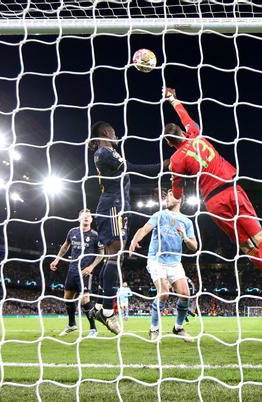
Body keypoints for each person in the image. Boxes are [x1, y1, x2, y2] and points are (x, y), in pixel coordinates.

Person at [162, 86, 262, 294]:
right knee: (260, 239)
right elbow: (187, 117)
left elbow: (177, 194)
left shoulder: (176, 160)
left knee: (246, 247)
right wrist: (172, 100)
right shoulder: (196, 135)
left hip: (214, 202)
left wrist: (173, 177)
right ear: (182, 131)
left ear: (169, 143)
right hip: (232, 189)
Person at [88, 121, 168, 335]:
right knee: (114, 256)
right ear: (106, 132)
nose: (117, 135)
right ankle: (106, 312)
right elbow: (132, 168)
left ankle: (98, 306)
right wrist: (164, 165)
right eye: (114, 131)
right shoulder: (105, 152)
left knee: (116, 258)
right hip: (113, 206)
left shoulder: (105, 152)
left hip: (119, 207)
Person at [129, 189, 198, 341]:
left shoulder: (187, 221)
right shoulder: (159, 215)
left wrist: (185, 238)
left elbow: (195, 246)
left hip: (174, 263)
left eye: (171, 195)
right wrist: (135, 240)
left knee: (185, 295)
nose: (167, 198)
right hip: (156, 260)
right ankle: (154, 329)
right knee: (164, 293)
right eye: (166, 195)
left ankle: (178, 328)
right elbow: (144, 229)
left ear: (179, 199)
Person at [50, 209, 104, 338]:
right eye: (83, 216)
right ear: (79, 218)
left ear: (91, 219)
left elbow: (101, 254)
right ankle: (71, 324)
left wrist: (91, 267)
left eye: (88, 216)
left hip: (85, 272)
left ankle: (93, 329)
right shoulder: (72, 232)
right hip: (72, 270)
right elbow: (65, 246)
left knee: (85, 299)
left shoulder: (95, 235)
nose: (86, 218)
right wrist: (57, 259)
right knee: (67, 298)